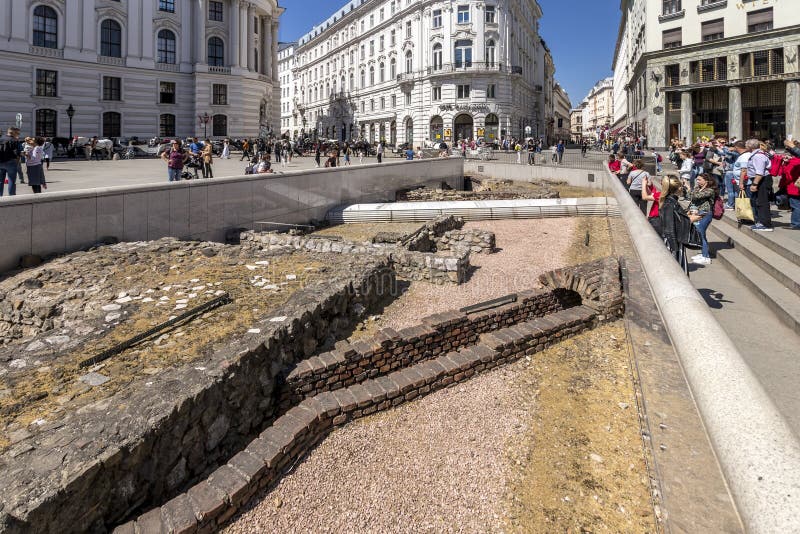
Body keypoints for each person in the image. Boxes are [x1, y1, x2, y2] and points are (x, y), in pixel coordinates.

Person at [659, 176, 702, 275]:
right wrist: (675, 250)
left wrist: (687, 217)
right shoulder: (669, 204)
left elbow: (675, 220)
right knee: (677, 273)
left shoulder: (670, 202)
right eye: (681, 186)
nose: (682, 188)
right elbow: (669, 228)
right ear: (677, 188)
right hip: (674, 243)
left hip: (675, 242)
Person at [688, 173, 718, 265]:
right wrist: (693, 190)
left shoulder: (710, 190)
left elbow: (696, 196)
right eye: (697, 180)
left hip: (705, 214)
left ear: (706, 181)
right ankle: (703, 253)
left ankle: (706, 257)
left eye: (700, 180)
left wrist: (690, 189)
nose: (697, 182)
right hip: (697, 213)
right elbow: (690, 196)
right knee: (700, 234)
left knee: (701, 234)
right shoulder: (698, 188)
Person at [745, 138, 773, 231]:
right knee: (758, 201)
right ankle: (761, 222)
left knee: (762, 202)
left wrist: (754, 184)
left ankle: (766, 224)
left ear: (750, 146)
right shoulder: (757, 154)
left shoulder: (758, 156)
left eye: (746, 145)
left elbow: (760, 172)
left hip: (761, 180)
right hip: (759, 179)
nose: (745, 146)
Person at [779, 139, 800, 229]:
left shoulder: (794, 162)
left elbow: (788, 176)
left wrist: (785, 164)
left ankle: (796, 224)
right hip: (795, 186)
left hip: (794, 187)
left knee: (795, 206)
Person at [0, 127, 21, 196]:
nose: (18, 134)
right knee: (11, 180)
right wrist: (17, 162)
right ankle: (11, 197)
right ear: (13, 133)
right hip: (11, 162)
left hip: (0, 162)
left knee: (0, 181)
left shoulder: (1, 138)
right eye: (17, 133)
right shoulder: (15, 140)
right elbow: (18, 153)